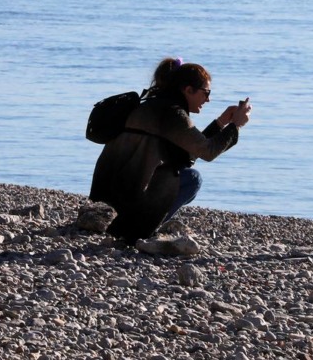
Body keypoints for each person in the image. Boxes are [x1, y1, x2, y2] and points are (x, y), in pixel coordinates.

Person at [89, 57, 251, 241]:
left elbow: (188, 153)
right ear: (188, 90)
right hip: (121, 206)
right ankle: (137, 229)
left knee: (180, 171)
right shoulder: (172, 113)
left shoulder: (152, 104)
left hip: (102, 201)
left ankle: (130, 224)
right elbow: (207, 152)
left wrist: (221, 122)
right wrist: (235, 125)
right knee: (192, 178)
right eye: (206, 92)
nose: (208, 99)